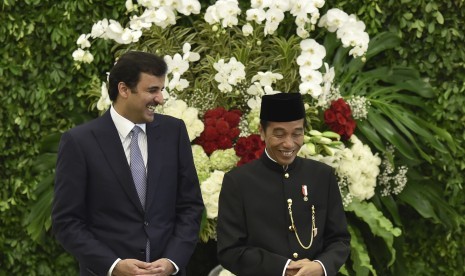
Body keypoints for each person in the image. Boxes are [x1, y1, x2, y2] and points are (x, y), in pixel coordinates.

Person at [52, 51, 204, 276]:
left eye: (161, 90)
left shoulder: (175, 132)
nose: (160, 99)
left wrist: (173, 261)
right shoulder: (79, 142)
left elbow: (190, 207)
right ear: (123, 89)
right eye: (152, 90)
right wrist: (113, 266)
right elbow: (67, 222)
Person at [217, 93, 350, 276]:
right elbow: (230, 251)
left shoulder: (322, 175)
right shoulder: (238, 181)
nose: (289, 144)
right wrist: (283, 268)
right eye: (279, 134)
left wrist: (320, 266)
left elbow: (339, 239)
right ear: (262, 132)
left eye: (297, 134)